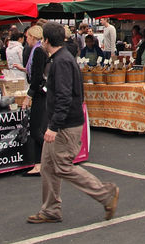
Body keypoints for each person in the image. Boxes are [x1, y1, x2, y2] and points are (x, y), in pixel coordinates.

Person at [27, 22, 119, 224]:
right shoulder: (62, 59)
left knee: (62, 166)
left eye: (42, 39)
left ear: (47, 40)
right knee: (49, 167)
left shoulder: (61, 62)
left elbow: (64, 97)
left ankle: (105, 194)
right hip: (62, 123)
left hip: (65, 125)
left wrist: (53, 126)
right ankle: (51, 210)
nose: (41, 42)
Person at [15, 26, 48, 176]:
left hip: (39, 94)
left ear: (33, 37)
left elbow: (36, 77)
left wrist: (28, 96)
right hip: (39, 93)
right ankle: (38, 164)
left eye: (27, 37)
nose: (25, 39)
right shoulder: (38, 50)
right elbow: (34, 72)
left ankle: (54, 158)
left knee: (35, 130)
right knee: (36, 130)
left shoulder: (39, 51)